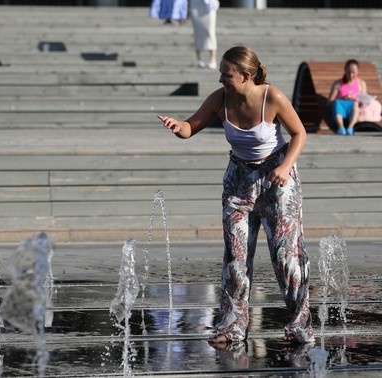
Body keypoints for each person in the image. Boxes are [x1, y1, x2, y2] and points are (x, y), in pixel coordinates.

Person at [157, 45, 314, 345]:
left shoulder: (272, 97)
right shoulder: (220, 99)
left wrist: (285, 166)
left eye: (226, 75)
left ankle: (299, 325)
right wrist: (178, 126)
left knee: (285, 258)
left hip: (276, 180)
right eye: (220, 74)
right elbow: (191, 127)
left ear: (245, 76)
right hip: (238, 181)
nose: (221, 80)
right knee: (236, 259)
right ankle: (231, 327)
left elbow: (300, 134)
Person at [328, 59, 367, 136]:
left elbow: (364, 99)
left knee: (355, 104)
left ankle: (350, 127)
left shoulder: (361, 83)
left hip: (354, 109)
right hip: (339, 110)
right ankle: (341, 128)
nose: (351, 75)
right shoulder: (338, 84)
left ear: (357, 72)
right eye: (349, 72)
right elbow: (329, 102)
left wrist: (359, 101)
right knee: (337, 102)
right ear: (345, 71)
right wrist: (343, 98)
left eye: (354, 73)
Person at [189, 0, 219, 69]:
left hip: (209, 4)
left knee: (210, 32)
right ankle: (199, 59)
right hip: (195, 4)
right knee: (197, 31)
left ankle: (213, 59)